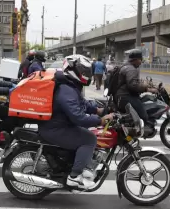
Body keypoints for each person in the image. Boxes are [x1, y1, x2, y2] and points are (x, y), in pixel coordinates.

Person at [38, 54, 114, 189]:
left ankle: (76, 165)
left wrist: (98, 110)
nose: (86, 75)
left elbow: (81, 103)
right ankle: (74, 177)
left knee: (87, 133)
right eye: (84, 72)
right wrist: (100, 120)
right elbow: (78, 117)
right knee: (89, 139)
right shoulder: (66, 90)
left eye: (87, 72)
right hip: (55, 129)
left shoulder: (70, 86)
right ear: (73, 70)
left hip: (59, 125)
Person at [115, 48, 157, 137]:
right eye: (140, 60)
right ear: (136, 59)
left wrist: (145, 85)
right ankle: (133, 133)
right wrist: (148, 90)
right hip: (125, 97)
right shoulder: (131, 69)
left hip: (121, 96)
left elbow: (132, 82)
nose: (141, 62)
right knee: (144, 116)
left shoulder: (126, 66)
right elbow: (133, 86)